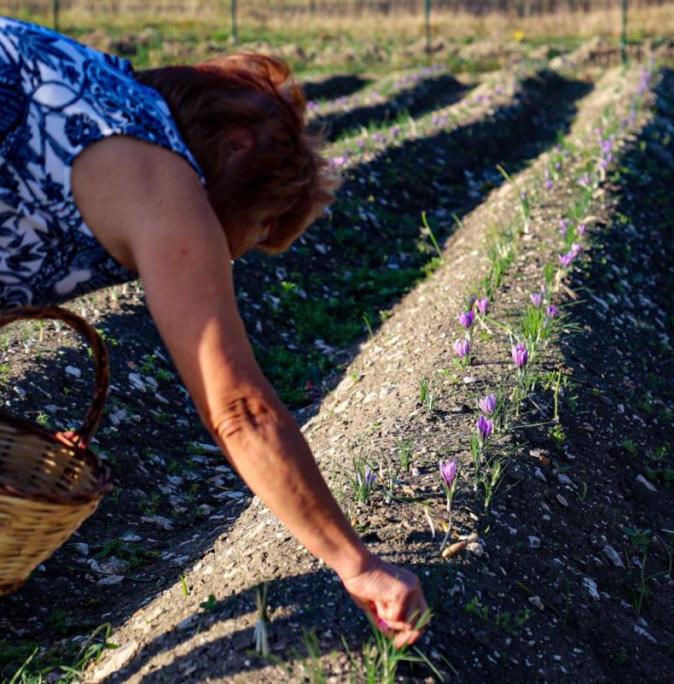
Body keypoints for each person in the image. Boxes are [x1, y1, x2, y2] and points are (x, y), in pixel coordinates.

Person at [0, 16, 428, 647]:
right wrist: (357, 564)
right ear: (237, 149)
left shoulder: (97, 94)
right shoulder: (164, 181)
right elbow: (239, 410)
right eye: (252, 229)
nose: (225, 258)